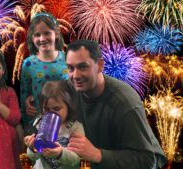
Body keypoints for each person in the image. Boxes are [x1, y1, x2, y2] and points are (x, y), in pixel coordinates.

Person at [65, 39, 167, 169]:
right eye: (70, 68)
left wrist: (96, 154)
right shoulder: (70, 90)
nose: (75, 75)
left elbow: (147, 160)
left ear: (100, 65)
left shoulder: (124, 102)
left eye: (83, 67)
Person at [20, 12, 68, 129]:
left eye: (47, 33)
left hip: (67, 123)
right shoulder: (28, 64)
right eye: (37, 34)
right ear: (32, 38)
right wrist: (26, 123)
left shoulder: (68, 59)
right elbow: (24, 94)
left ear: (56, 33)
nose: (42, 38)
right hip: (39, 124)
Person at [24, 80, 84, 169]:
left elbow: (76, 159)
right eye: (47, 109)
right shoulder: (39, 123)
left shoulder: (75, 127)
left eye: (56, 108)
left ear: (68, 106)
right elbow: (33, 157)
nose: (52, 113)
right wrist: (32, 148)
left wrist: (60, 154)